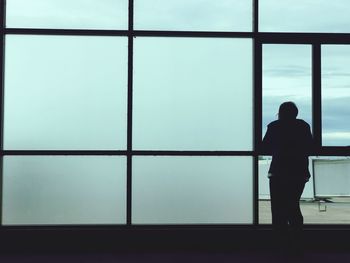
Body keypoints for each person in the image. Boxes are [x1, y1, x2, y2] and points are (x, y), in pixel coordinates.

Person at [261, 102, 313, 252]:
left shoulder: (275, 126)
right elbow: (310, 146)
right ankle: (297, 243)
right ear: (295, 113)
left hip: (278, 172)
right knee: (293, 206)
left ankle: (280, 243)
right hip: (298, 173)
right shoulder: (303, 126)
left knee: (278, 209)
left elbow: (264, 146)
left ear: (280, 113)